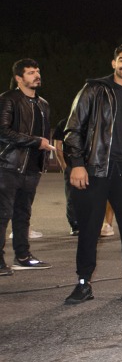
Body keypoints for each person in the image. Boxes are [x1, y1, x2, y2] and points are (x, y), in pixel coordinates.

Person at [62, 44, 122, 303]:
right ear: (113, 63)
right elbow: (73, 129)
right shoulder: (94, 90)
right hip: (94, 170)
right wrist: (77, 163)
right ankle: (83, 284)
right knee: (90, 229)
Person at [1, 58, 54, 274]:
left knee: (23, 214)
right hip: (8, 165)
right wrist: (35, 141)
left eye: (37, 71)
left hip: (32, 168)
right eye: (31, 72)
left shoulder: (43, 104)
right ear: (18, 78)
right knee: (3, 214)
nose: (36, 75)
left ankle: (23, 256)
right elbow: (3, 131)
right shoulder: (8, 99)